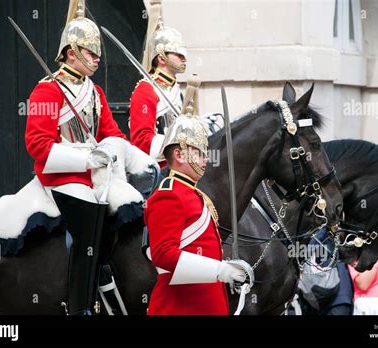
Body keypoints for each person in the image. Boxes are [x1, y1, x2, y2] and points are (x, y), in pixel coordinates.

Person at [24, 0, 157, 315]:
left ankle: (111, 273)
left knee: (132, 207)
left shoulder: (95, 93)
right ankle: (80, 304)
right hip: (60, 176)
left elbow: (113, 135)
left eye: (98, 53)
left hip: (97, 173)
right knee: (89, 215)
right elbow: (38, 146)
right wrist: (86, 159)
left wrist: (129, 157)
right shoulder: (46, 92)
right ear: (71, 53)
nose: (97, 59)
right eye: (90, 53)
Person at [143, 85, 251, 315]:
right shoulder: (168, 194)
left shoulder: (195, 194)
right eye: (200, 153)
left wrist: (228, 268)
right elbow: (163, 255)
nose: (205, 160)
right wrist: (221, 270)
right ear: (180, 154)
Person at [129, 0, 186, 161]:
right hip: (159, 168)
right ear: (161, 58)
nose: (184, 59)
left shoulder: (176, 89)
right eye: (178, 54)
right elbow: (142, 142)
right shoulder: (145, 90)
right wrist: (181, 142)